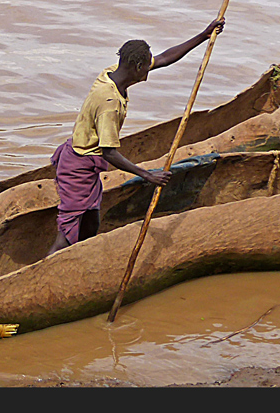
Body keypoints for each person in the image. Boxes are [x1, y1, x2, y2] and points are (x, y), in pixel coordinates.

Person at [46, 17, 226, 256]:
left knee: (91, 223)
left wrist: (203, 35)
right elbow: (108, 152)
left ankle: (82, 259)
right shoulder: (109, 101)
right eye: (146, 66)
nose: (150, 69)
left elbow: (164, 58)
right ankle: (45, 271)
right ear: (137, 67)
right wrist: (146, 175)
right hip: (78, 166)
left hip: (86, 161)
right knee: (67, 235)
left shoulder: (112, 72)